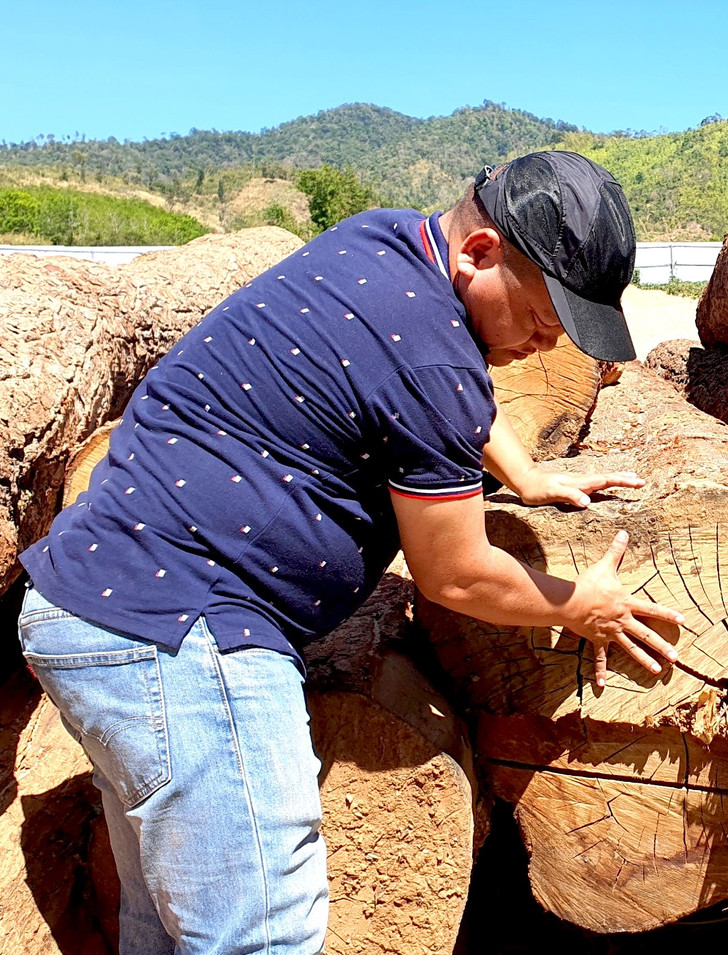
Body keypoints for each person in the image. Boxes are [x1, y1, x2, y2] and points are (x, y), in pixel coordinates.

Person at [16, 150, 684, 952]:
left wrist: (526, 472)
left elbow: (443, 382)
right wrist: (584, 606)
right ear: (480, 255)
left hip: (90, 600)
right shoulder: (434, 357)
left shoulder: (386, 244)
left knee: (162, 925)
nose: (546, 345)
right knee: (260, 934)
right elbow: (454, 574)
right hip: (179, 634)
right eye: (544, 319)